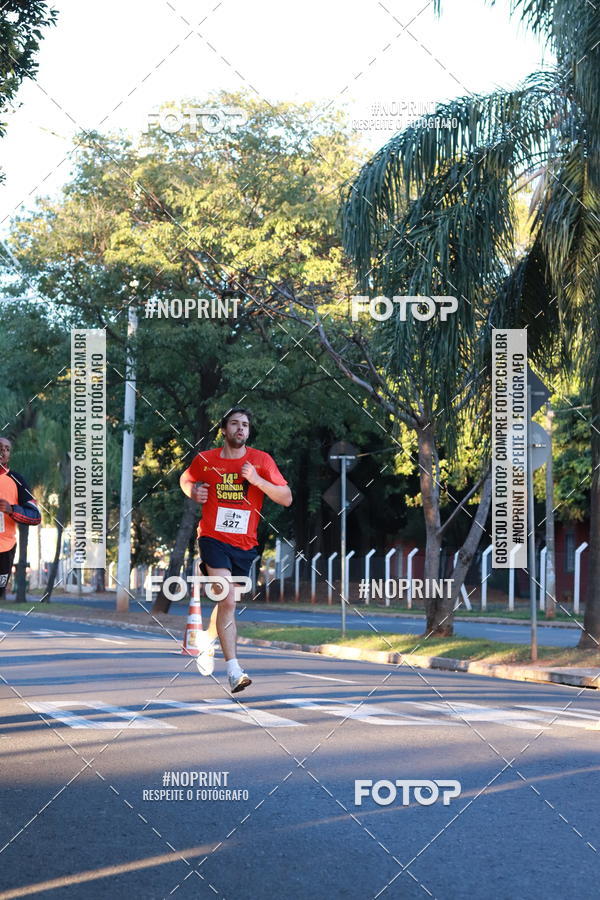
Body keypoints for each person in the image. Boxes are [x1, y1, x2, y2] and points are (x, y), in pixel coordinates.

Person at [180, 408, 292, 693]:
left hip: (245, 545)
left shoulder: (261, 461)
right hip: (212, 538)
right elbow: (186, 479)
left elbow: (286, 498)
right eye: (234, 424)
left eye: (245, 425)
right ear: (224, 430)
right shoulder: (206, 460)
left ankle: (207, 639)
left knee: (227, 603)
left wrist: (257, 480)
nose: (240, 429)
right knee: (227, 599)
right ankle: (233, 671)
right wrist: (193, 492)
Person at [0, 437, 41, 598]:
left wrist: (12, 510)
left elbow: (35, 516)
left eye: (7, 449)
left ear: (9, 455)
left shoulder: (16, 480)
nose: (2, 451)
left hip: (4, 550)